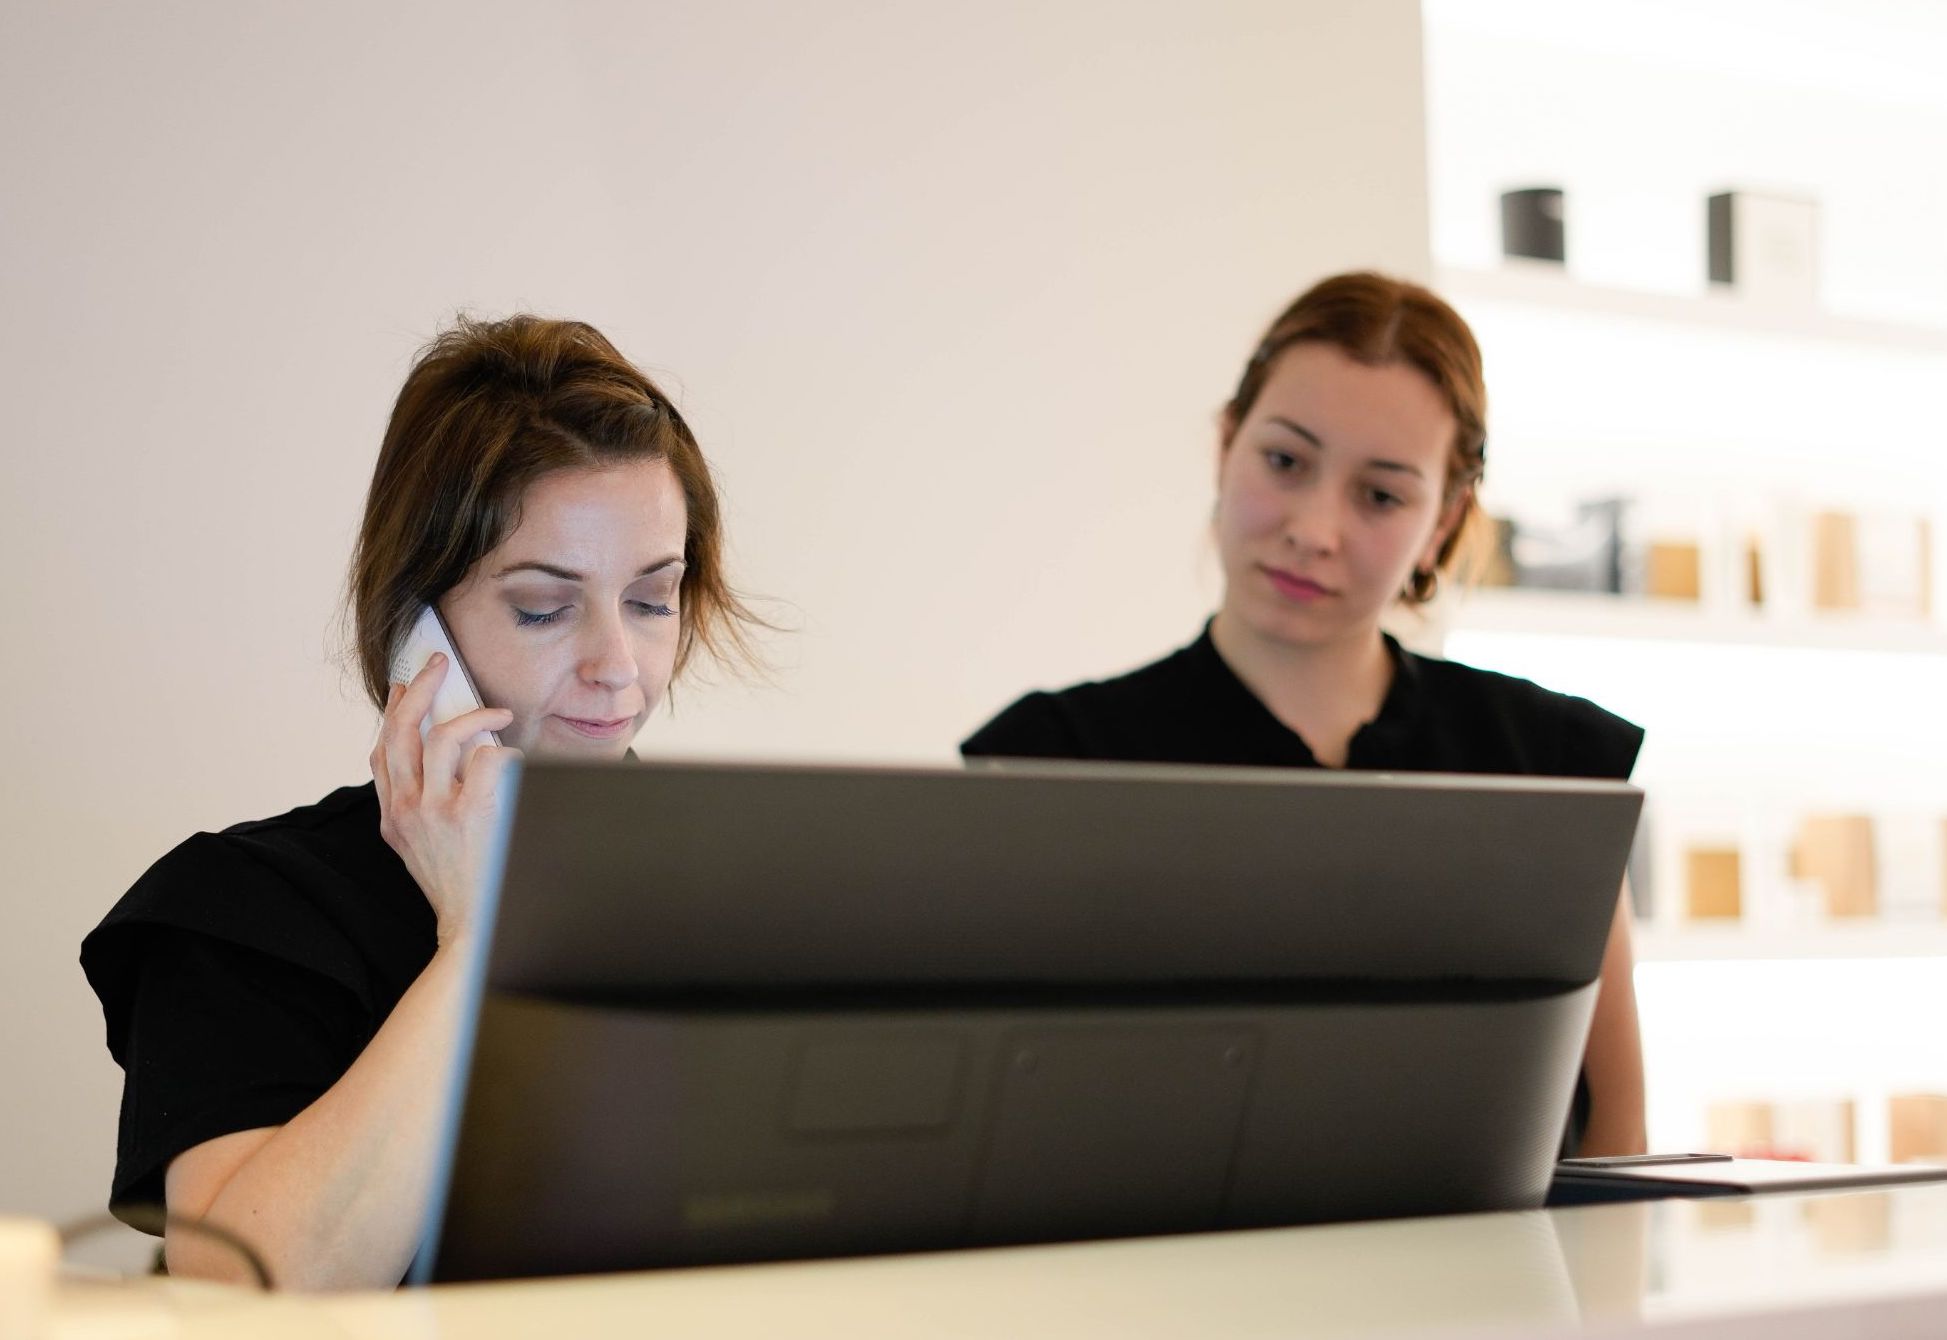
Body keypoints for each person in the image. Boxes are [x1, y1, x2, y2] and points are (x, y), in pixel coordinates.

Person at [81, 315, 760, 1289]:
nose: (620, 667)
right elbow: (250, 1294)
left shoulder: (758, 887)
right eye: (543, 605)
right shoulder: (243, 910)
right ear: (416, 629)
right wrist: (480, 936)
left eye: (652, 600)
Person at [962, 271, 1647, 1158]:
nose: (1315, 530)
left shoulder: (1548, 762)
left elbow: (1617, 1137)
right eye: (1284, 462)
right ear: (1224, 446)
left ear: (1443, 521)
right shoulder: (1049, 760)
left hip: (1502, 1293)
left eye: (1380, 495)